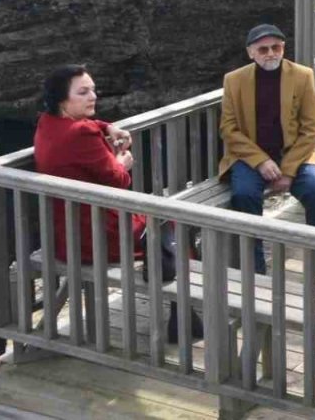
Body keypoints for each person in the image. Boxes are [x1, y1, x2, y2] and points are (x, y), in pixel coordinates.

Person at [33, 64, 203, 343]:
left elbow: (87, 128)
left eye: (93, 90)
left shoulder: (47, 123)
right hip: (98, 236)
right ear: (62, 100)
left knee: (165, 222)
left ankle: (177, 299)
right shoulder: (80, 134)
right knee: (176, 224)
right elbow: (117, 180)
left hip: (66, 234)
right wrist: (122, 162)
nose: (93, 96)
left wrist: (108, 126)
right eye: (83, 92)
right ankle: (182, 314)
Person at [219, 24, 315, 286]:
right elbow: (228, 128)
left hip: (293, 153)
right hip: (250, 156)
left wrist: (290, 170)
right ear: (251, 53)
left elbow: (311, 127)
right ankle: (256, 268)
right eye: (263, 49)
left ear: (283, 49)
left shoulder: (302, 76)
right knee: (243, 196)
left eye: (276, 47)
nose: (270, 53)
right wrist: (260, 161)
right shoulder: (234, 80)